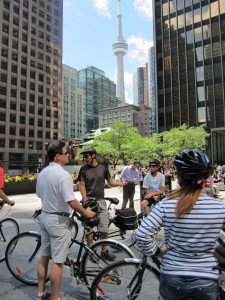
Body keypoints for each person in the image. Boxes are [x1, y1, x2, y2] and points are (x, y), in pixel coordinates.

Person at [136, 149, 225, 300]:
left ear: (179, 177)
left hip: (172, 276)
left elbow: (142, 234)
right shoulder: (218, 206)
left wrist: (157, 252)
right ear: (204, 177)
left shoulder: (166, 204)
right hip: (206, 277)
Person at [36, 141, 95, 300]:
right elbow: (72, 201)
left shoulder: (43, 172)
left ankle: (40, 294)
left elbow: (39, 194)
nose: (68, 155)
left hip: (45, 216)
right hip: (58, 221)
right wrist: (86, 213)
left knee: (44, 256)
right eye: (65, 153)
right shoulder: (63, 175)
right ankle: (55, 297)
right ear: (58, 156)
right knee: (58, 261)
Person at [78, 147, 126, 257]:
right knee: (88, 228)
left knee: (104, 227)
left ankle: (104, 251)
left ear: (93, 155)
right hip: (88, 201)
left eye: (86, 156)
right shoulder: (83, 169)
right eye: (83, 156)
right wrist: (85, 200)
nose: (84, 159)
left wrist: (120, 183)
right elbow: (81, 185)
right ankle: (91, 251)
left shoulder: (103, 168)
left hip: (101, 201)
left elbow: (110, 181)